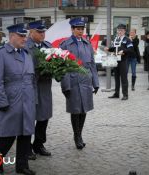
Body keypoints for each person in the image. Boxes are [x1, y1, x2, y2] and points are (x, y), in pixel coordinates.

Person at [0, 23, 36, 175]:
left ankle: (22, 166)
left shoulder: (27, 53)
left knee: (25, 135)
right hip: (11, 100)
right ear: (12, 36)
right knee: (7, 136)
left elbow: (31, 78)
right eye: (21, 36)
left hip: (27, 100)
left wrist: (33, 99)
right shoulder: (0, 53)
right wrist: (1, 101)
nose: (25, 38)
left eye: (25, 36)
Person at [60, 17, 99, 150]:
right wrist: (65, 85)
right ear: (72, 29)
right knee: (75, 110)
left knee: (84, 110)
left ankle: (80, 135)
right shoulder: (65, 44)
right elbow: (62, 66)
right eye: (78, 29)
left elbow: (92, 64)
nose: (80, 31)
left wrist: (96, 82)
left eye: (82, 29)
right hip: (73, 81)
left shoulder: (87, 44)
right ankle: (76, 136)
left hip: (85, 81)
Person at [25, 20, 52, 158]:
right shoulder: (25, 46)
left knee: (44, 117)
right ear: (31, 32)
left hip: (45, 87)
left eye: (44, 32)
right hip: (30, 87)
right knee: (29, 118)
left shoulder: (48, 46)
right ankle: (26, 147)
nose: (42, 34)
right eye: (39, 32)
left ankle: (39, 144)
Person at [105, 24, 134, 100]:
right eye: (118, 30)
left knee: (124, 78)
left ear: (124, 31)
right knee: (116, 78)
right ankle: (116, 93)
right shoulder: (116, 38)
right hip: (115, 60)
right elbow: (114, 48)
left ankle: (125, 95)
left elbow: (131, 49)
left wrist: (123, 51)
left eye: (121, 30)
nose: (119, 32)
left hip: (123, 61)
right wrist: (109, 49)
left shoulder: (127, 39)